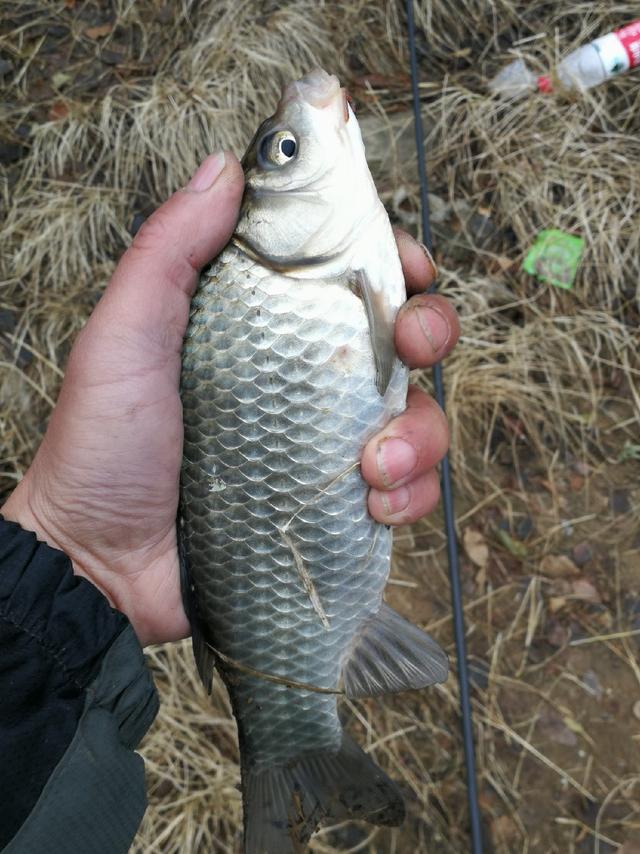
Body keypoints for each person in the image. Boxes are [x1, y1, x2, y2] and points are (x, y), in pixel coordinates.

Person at [0, 152, 460, 853]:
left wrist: (74, 560)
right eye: (287, 152)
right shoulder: (274, 267)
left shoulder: (283, 264)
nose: (309, 132)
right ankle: (292, 756)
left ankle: (293, 758)